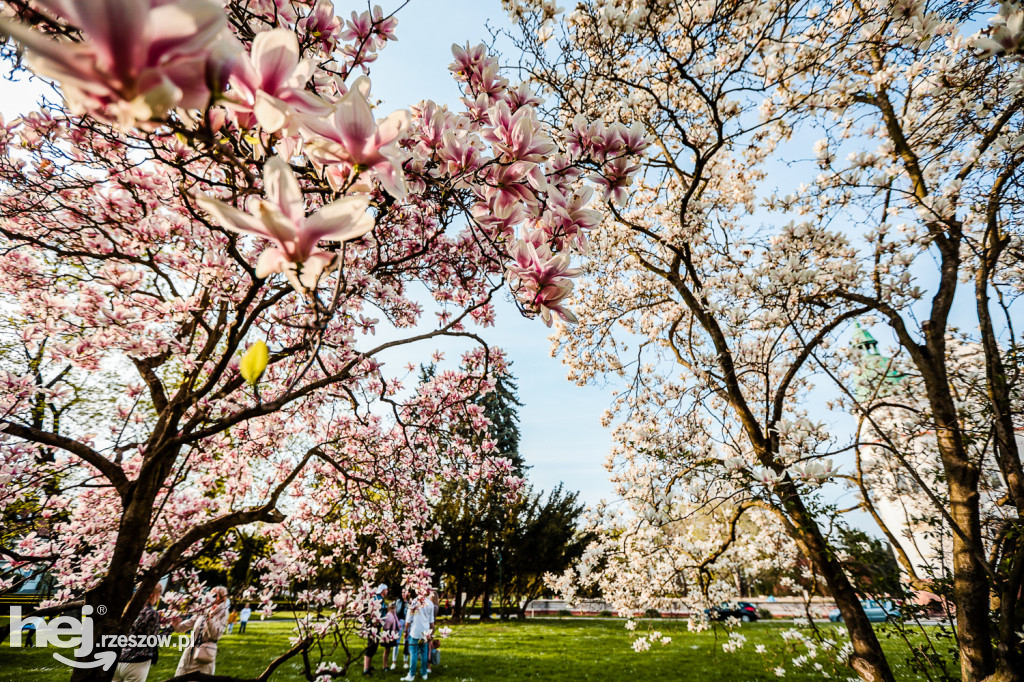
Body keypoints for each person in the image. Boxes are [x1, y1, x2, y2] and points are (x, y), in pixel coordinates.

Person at [113, 583, 165, 682]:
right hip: (137, 662)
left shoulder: (127, 609)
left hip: (118, 659)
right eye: (159, 594)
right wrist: (171, 628)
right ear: (151, 595)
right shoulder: (152, 613)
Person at [174, 586, 229, 676]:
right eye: (211, 594)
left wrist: (209, 617)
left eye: (215, 595)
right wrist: (176, 624)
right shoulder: (203, 609)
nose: (212, 597)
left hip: (203, 657)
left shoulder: (223, 613)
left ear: (222, 599)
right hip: (189, 656)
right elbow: (183, 627)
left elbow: (215, 635)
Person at [401, 592, 434, 682]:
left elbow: (408, 620)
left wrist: (405, 631)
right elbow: (431, 622)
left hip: (415, 632)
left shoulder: (413, 602)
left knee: (414, 653)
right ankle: (424, 673)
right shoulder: (430, 603)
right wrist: (432, 634)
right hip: (426, 632)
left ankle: (411, 674)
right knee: (424, 653)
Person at [363, 584, 388, 676]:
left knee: (374, 646)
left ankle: (368, 666)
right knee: (371, 646)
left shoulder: (381, 599)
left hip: (377, 626)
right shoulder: (377, 599)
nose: (387, 591)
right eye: (386, 590)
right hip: (373, 626)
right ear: (382, 591)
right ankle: (366, 669)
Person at [381, 603, 400, 672]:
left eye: (394, 608)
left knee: (388, 650)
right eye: (392, 608)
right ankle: (385, 665)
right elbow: (386, 626)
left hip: (392, 632)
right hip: (388, 633)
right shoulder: (388, 615)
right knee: (387, 649)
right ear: (389, 609)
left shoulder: (394, 615)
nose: (393, 610)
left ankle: (386, 664)